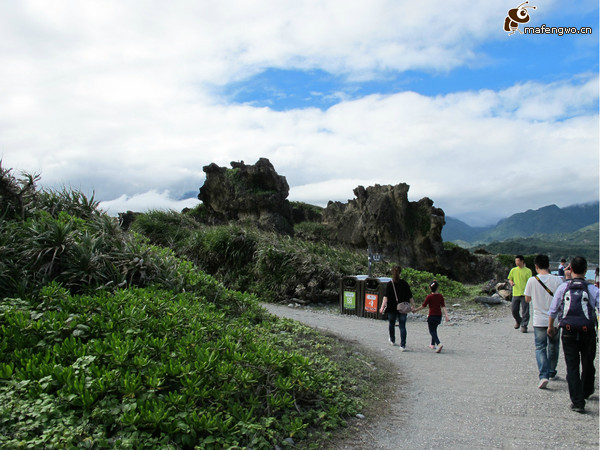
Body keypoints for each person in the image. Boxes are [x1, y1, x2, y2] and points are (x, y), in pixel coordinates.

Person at [548, 256, 599, 413]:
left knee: (572, 366)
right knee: (588, 362)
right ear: (585, 270)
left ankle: (577, 402)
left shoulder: (563, 288)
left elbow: (553, 309)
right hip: (587, 332)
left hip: (568, 332)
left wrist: (551, 326)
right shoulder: (593, 289)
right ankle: (586, 390)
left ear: (570, 268)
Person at [524, 254, 564, 389]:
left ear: (536, 266)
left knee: (540, 347)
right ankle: (552, 371)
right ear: (549, 265)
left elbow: (527, 299)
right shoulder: (558, 280)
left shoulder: (531, 280)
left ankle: (544, 375)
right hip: (555, 320)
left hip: (539, 320)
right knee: (553, 346)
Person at [380, 265, 416, 351]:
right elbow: (410, 296)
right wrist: (413, 306)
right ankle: (402, 345)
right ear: (400, 273)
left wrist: (382, 307)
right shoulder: (405, 283)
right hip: (403, 308)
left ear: (392, 273)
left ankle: (392, 340)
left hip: (392, 307)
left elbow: (385, 297)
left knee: (391, 324)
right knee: (402, 326)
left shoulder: (389, 284)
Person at [413, 280, 449, 353]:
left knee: (431, 331)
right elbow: (443, 306)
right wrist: (446, 315)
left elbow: (423, 306)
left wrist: (415, 310)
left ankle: (438, 344)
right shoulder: (440, 296)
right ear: (437, 288)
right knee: (434, 329)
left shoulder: (429, 297)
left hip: (432, 316)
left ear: (430, 288)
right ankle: (432, 344)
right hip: (439, 316)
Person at [508, 255, 532, 333]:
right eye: (515, 261)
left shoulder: (528, 271)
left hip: (525, 293)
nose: (516, 262)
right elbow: (510, 279)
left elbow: (530, 282)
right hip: (515, 293)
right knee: (514, 310)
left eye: (518, 261)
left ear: (522, 261)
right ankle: (519, 321)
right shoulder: (513, 270)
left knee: (525, 311)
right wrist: (511, 282)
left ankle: (524, 325)